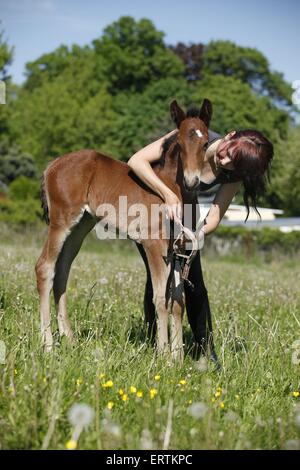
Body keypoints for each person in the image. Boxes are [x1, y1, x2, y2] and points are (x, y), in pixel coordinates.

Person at [127, 127, 274, 362]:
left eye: (234, 163)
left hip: (185, 215)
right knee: (160, 276)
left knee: (194, 282)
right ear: (229, 135)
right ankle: (155, 341)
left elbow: (214, 217)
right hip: (150, 205)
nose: (224, 161)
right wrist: (168, 194)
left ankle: (205, 351)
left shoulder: (232, 172)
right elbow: (136, 161)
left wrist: (195, 236)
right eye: (227, 152)